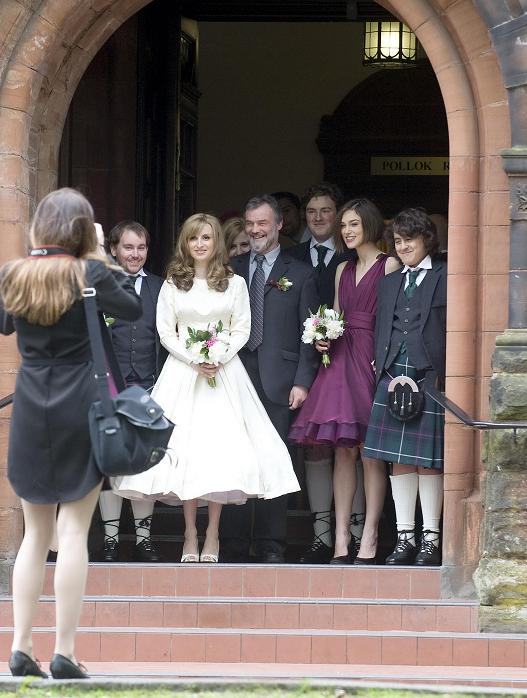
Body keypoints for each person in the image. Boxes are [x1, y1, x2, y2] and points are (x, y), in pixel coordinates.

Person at [0, 188, 139, 680]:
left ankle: (19, 646)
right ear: (81, 230)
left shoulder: (13, 272)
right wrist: (96, 254)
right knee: (74, 531)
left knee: (35, 534)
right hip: (82, 405)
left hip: (31, 404)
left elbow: (1, 324)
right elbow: (133, 310)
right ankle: (65, 651)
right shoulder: (90, 271)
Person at [113, 213, 299, 563]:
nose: (200, 244)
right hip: (183, 373)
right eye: (193, 238)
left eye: (207, 238)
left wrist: (217, 355)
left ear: (217, 244)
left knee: (219, 455)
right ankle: (190, 534)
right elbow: (166, 331)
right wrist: (193, 358)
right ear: (185, 243)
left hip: (224, 373)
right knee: (185, 454)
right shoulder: (172, 283)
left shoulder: (235, 283)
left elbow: (241, 328)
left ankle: (212, 533)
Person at [289, 199, 401, 564]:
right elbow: (335, 314)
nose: (347, 232)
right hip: (338, 359)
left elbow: (393, 318)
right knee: (342, 450)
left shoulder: (390, 265)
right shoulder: (341, 269)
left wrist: (382, 358)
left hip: (371, 358)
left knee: (371, 453)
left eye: (353, 224)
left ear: (369, 225)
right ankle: (340, 538)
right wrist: (323, 335)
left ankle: (369, 535)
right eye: (344, 227)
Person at [219, 195, 321, 563]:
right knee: (235, 459)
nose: (255, 230)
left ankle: (270, 544)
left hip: (280, 381)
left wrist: (303, 381)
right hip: (233, 379)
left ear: (279, 225)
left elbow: (309, 332)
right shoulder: (229, 269)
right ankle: (231, 542)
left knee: (274, 460)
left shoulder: (301, 272)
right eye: (250, 223)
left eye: (262, 223)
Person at [364, 208, 447, 566]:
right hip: (391, 372)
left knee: (428, 462)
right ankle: (404, 537)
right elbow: (383, 325)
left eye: (409, 240)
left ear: (426, 239)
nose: (403, 247)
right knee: (398, 460)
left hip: (430, 373)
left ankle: (431, 538)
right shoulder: (389, 282)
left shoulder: (446, 276)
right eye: (397, 241)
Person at [286, 182, 359, 563]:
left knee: (349, 445)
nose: (318, 218)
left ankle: (358, 533)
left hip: (345, 361)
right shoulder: (290, 255)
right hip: (300, 364)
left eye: (326, 211)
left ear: (338, 214)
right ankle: (321, 533)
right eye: (311, 211)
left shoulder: (353, 254)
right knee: (315, 449)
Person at [95, 220, 164, 563]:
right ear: (113, 249)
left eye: (141, 248)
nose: (135, 254)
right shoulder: (99, 287)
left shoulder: (161, 288)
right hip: (111, 385)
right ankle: (109, 539)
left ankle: (143, 538)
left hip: (150, 384)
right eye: (128, 247)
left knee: (145, 461)